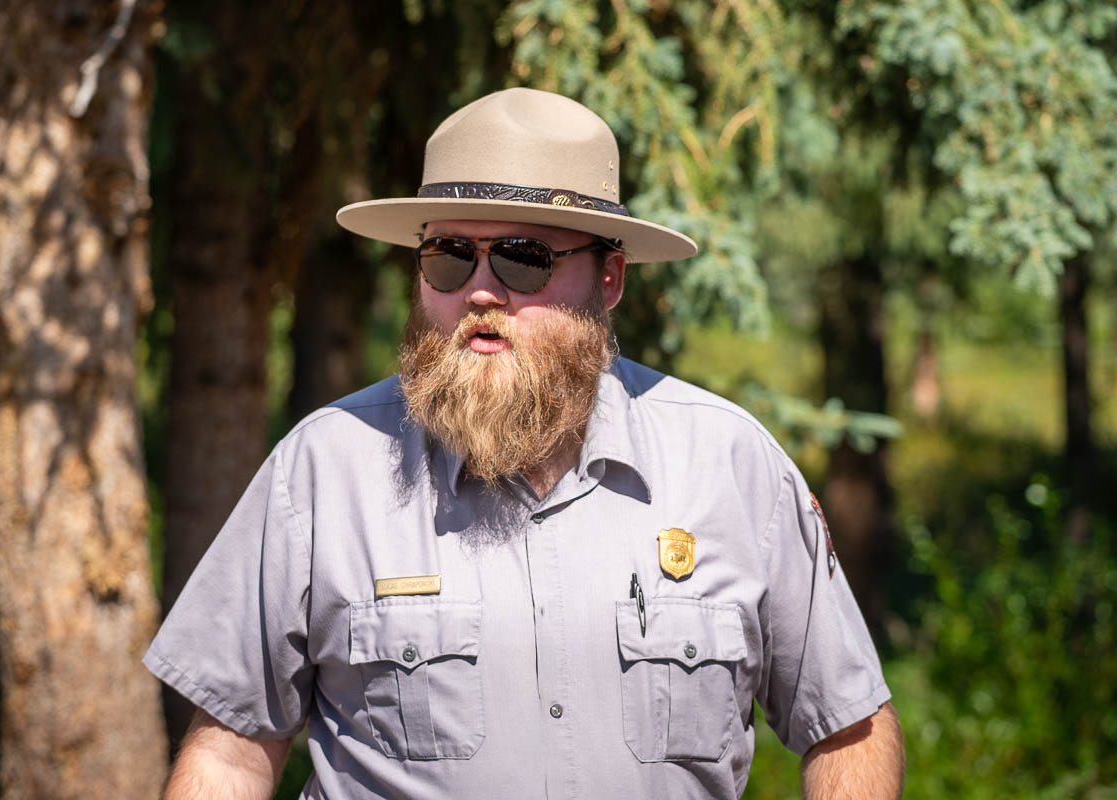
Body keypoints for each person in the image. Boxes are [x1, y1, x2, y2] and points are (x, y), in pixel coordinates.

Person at [145, 87, 905, 800]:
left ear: (609, 278)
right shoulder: (325, 468)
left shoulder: (729, 466)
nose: (480, 290)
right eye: (448, 255)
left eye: (522, 257)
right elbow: (229, 749)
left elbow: (849, 728)